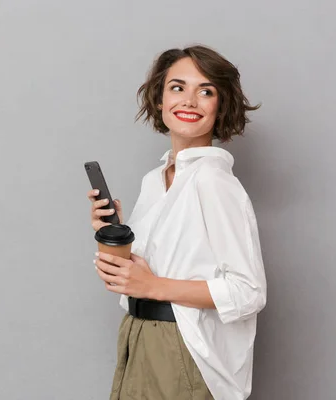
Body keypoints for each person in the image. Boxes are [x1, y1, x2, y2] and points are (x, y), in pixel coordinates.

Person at [87, 45, 267, 400]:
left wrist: (154, 287)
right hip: (138, 336)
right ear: (159, 99)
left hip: (185, 349)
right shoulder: (156, 180)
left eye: (206, 91)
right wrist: (112, 236)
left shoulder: (213, 181)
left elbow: (249, 292)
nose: (189, 101)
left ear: (221, 106)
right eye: (177, 87)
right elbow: (140, 277)